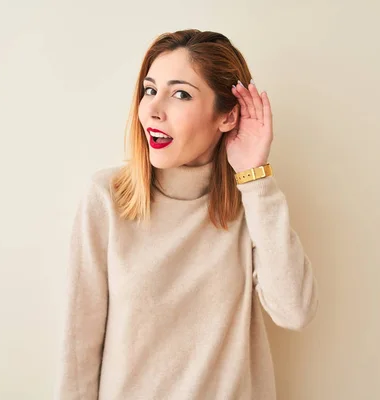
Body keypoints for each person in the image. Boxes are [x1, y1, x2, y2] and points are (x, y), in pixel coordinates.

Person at [55, 29, 319, 400]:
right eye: (150, 90)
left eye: (180, 93)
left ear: (227, 117)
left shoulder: (252, 206)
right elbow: (78, 349)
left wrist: (255, 177)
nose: (154, 108)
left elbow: (295, 311)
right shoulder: (107, 198)